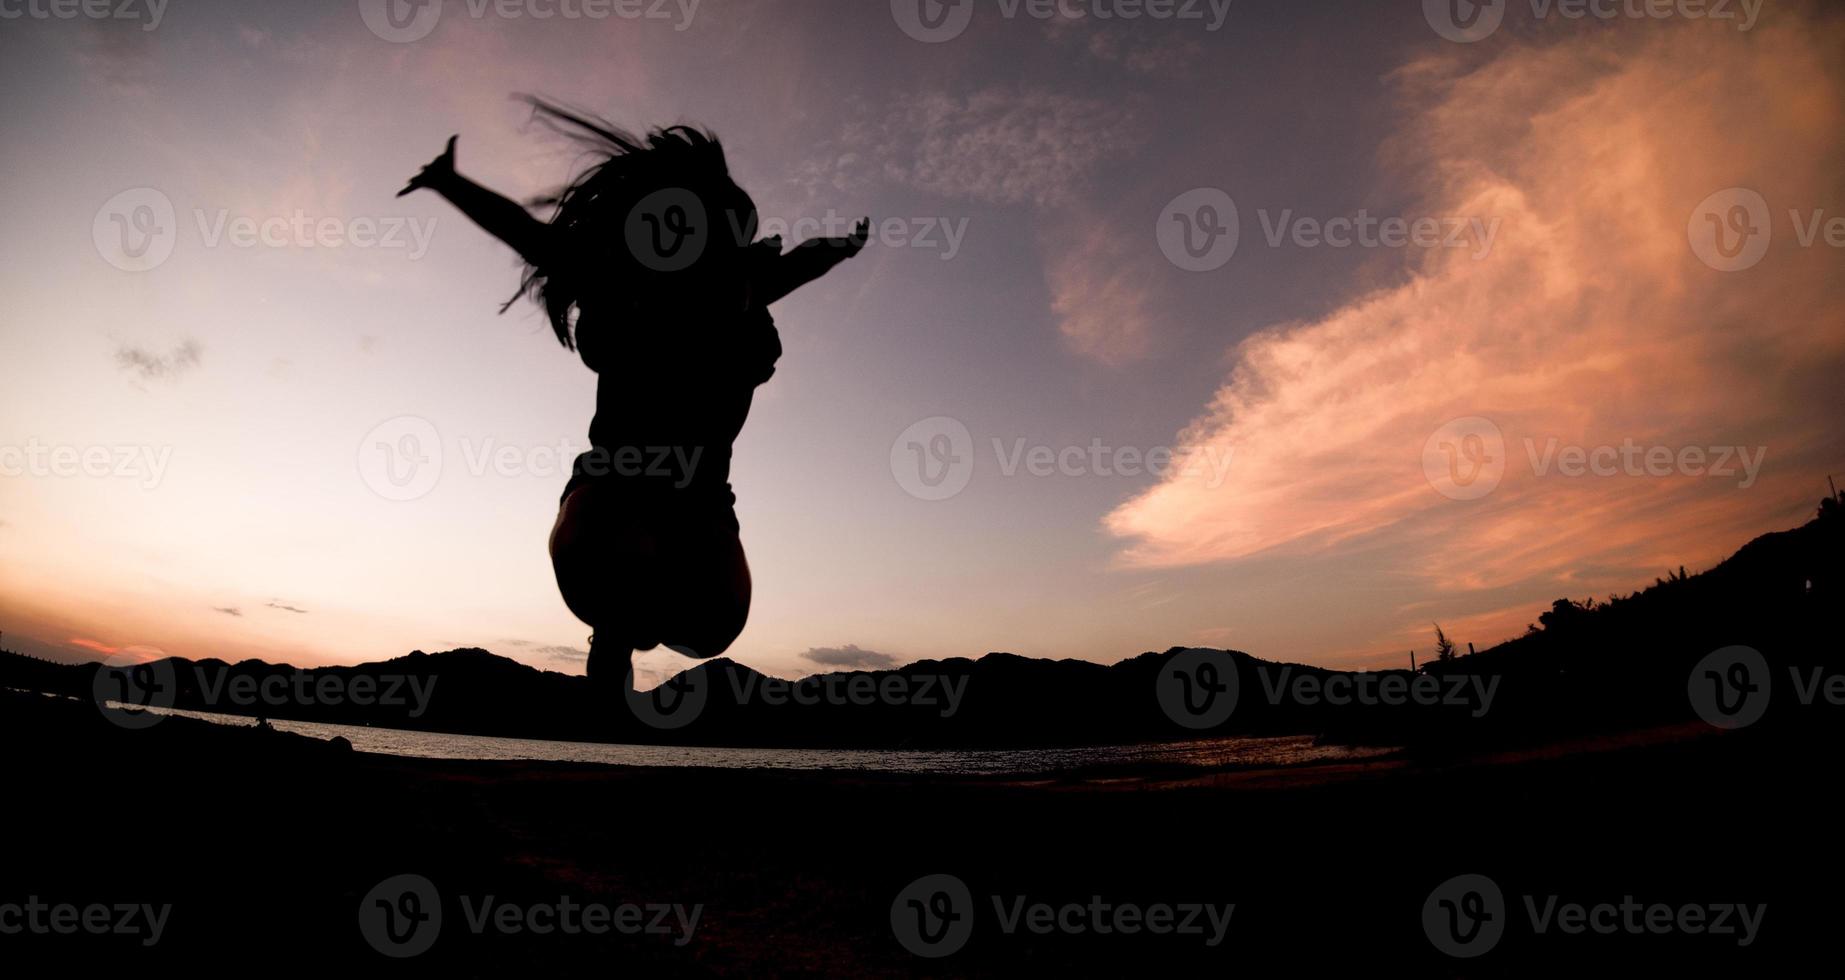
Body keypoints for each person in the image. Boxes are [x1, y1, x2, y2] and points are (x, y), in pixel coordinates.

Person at [399, 98, 866, 687]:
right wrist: (451, 183)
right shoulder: (625, 283)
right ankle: (616, 629)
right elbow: (524, 232)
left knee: (711, 624)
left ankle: (632, 612)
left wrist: (844, 247)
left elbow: (801, 262)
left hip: (698, 496)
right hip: (613, 485)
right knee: (620, 553)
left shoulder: (740, 288)